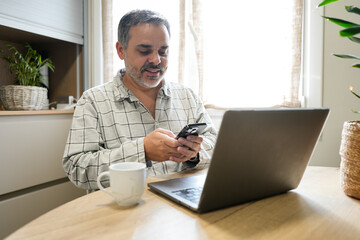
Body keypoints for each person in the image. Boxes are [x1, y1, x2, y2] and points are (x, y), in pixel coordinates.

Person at [62, 9, 217, 192]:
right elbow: (76, 168)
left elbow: (214, 143)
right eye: (145, 51)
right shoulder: (93, 101)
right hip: (125, 210)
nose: (156, 60)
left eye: (163, 51)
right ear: (121, 50)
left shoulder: (187, 96)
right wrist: (142, 151)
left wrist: (193, 154)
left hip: (181, 204)